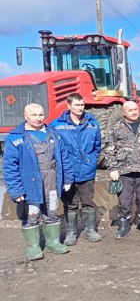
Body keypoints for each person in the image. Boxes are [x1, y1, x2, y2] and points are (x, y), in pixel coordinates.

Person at [2, 103, 74, 260]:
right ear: (25, 116)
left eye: (41, 114)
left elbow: (64, 159)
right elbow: (9, 167)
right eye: (34, 115)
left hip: (52, 180)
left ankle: (53, 242)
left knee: (52, 212)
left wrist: (67, 178)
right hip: (29, 183)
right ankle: (33, 247)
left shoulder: (53, 134)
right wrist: (16, 190)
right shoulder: (16, 138)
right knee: (31, 214)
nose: (38, 118)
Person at [51, 93, 102, 245]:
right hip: (69, 171)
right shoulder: (57, 125)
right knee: (70, 203)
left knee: (88, 201)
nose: (80, 108)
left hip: (87, 170)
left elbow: (97, 146)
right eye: (77, 105)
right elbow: (54, 149)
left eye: (82, 105)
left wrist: (92, 160)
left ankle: (90, 230)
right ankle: (71, 233)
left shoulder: (92, 123)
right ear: (69, 106)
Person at [104, 101, 140, 238]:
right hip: (124, 170)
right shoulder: (116, 128)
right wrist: (113, 168)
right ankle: (124, 225)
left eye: (135, 109)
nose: (134, 112)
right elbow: (109, 149)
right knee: (124, 201)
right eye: (130, 110)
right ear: (124, 113)